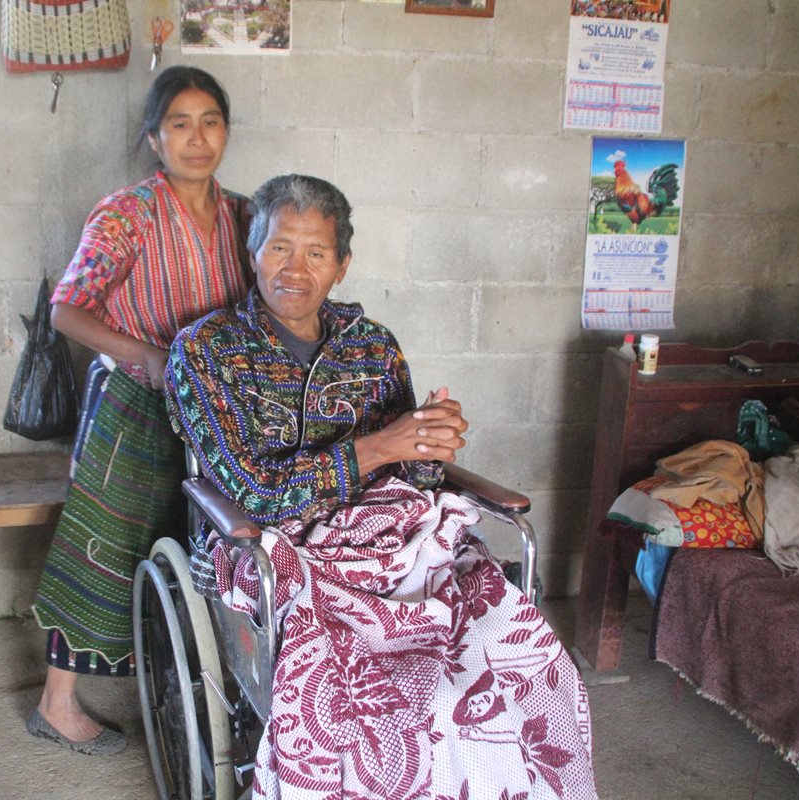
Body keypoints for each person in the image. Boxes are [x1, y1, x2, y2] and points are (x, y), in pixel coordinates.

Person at [166, 175, 598, 798]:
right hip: (269, 549)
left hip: (388, 534)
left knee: (527, 669)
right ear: (251, 254)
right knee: (385, 702)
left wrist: (429, 441)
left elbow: (413, 476)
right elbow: (250, 493)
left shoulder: (372, 346)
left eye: (316, 252)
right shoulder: (205, 350)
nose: (295, 268)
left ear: (341, 266)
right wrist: (380, 446)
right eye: (280, 248)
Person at [27, 66, 251, 755]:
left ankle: (206, 685)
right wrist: (146, 357)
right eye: (179, 123)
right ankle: (56, 704)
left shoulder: (245, 213)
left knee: (206, 543)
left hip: (212, 405)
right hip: (132, 404)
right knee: (105, 545)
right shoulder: (128, 213)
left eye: (210, 121)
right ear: (154, 138)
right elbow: (68, 309)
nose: (197, 137)